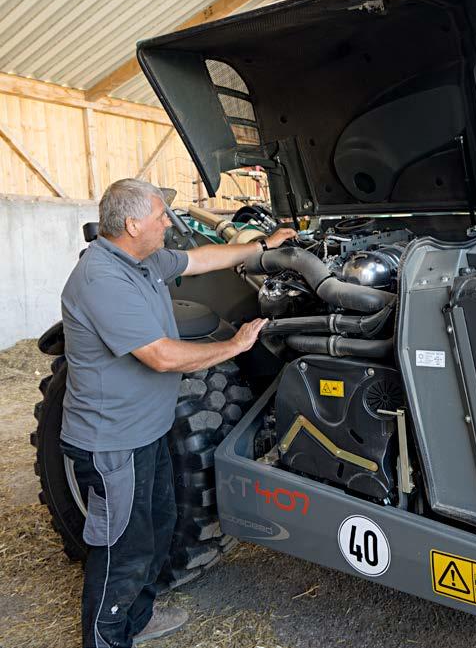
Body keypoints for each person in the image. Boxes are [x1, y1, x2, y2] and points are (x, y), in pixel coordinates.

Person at [59, 178, 296, 648]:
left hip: (149, 432)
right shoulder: (102, 278)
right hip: (112, 444)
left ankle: (138, 618)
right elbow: (161, 357)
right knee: (123, 546)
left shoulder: (143, 261)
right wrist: (234, 345)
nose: (169, 222)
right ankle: (106, 639)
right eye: (160, 216)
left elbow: (204, 258)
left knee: (158, 528)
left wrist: (263, 245)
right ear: (131, 224)